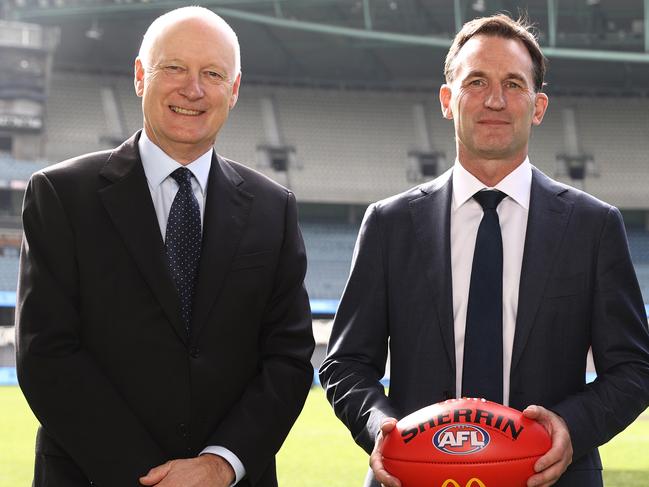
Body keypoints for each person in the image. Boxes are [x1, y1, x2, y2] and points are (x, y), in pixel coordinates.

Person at [319, 14, 649, 487]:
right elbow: (346, 363)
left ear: (538, 107)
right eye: (476, 81)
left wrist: (570, 429)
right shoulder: (388, 224)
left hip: (552, 477)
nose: (495, 99)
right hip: (416, 478)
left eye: (514, 84)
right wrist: (384, 431)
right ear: (447, 101)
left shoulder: (592, 225)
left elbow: (635, 368)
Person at [16, 7, 314, 487]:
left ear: (234, 90)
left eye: (212, 74)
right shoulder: (61, 195)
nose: (192, 89)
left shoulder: (273, 208)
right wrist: (149, 477)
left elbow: (289, 356)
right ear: (139, 76)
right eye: (173, 68)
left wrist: (220, 464)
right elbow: (46, 353)